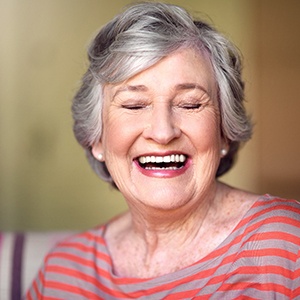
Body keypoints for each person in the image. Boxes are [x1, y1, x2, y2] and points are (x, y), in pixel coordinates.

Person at [26, 2, 300, 299]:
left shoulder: (284, 245)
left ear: (224, 132)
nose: (162, 132)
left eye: (190, 104)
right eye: (134, 105)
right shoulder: (63, 273)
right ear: (98, 140)